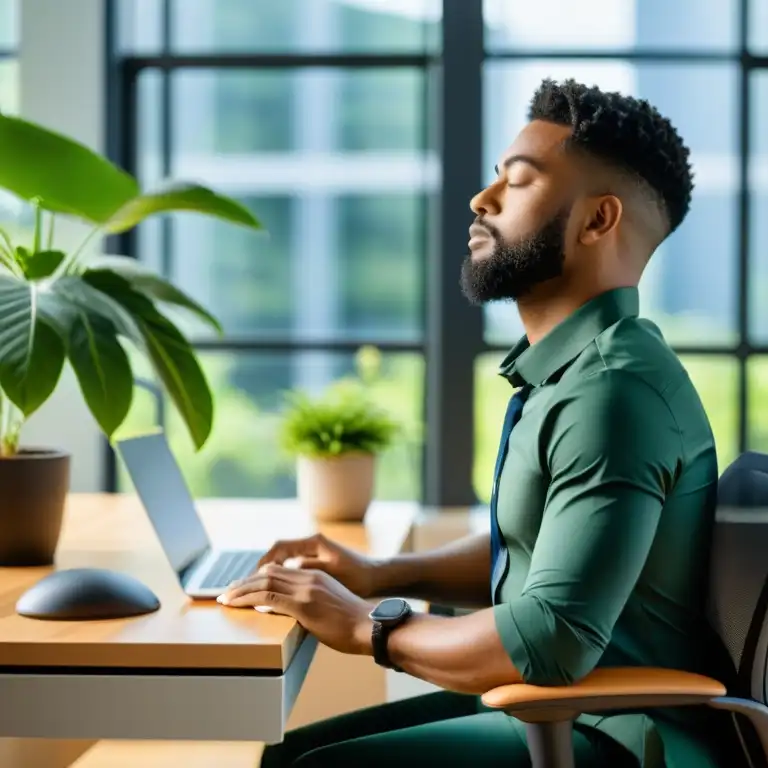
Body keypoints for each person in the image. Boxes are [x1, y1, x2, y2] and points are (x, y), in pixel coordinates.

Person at [222, 78, 739, 767]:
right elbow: (524, 548)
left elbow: (551, 638)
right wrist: (378, 574)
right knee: (284, 756)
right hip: (571, 706)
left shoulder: (615, 394)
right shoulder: (576, 372)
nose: (481, 199)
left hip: (617, 733)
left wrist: (364, 624)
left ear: (596, 221)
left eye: (518, 182)